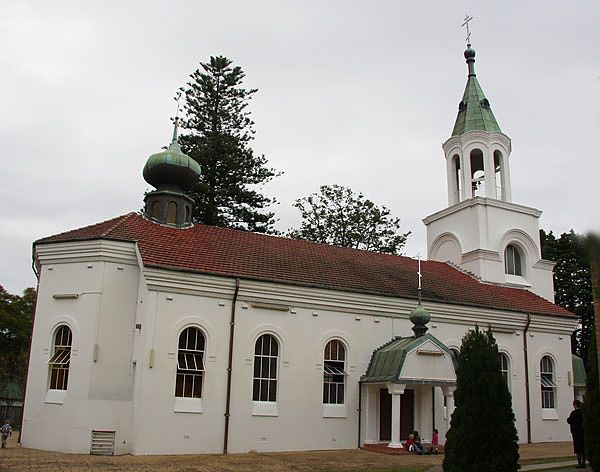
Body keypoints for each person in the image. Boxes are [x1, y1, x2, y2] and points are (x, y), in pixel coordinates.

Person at [567, 400, 585, 468]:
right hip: (582, 431)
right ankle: (583, 462)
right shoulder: (582, 413)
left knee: (577, 448)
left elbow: (569, 420)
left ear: (575, 405)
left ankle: (579, 462)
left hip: (576, 432)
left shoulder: (574, 413)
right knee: (583, 447)